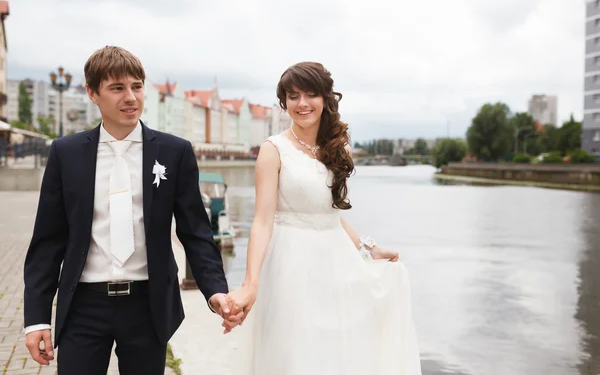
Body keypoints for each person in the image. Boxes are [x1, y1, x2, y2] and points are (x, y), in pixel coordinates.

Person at [23, 46, 242, 375]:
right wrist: (36, 318)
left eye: (137, 86)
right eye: (117, 88)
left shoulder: (174, 152)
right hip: (84, 305)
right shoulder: (65, 154)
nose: (131, 97)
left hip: (147, 305)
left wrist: (216, 292)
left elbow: (195, 232)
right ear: (92, 93)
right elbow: (48, 242)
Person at [223, 62, 422, 374]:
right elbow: (262, 221)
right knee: (296, 353)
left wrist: (369, 248)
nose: (302, 104)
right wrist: (250, 284)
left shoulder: (336, 148)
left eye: (310, 95)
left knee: (336, 355)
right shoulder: (273, 150)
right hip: (292, 265)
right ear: (284, 103)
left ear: (326, 99)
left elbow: (331, 216)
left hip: (337, 263)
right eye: (293, 96)